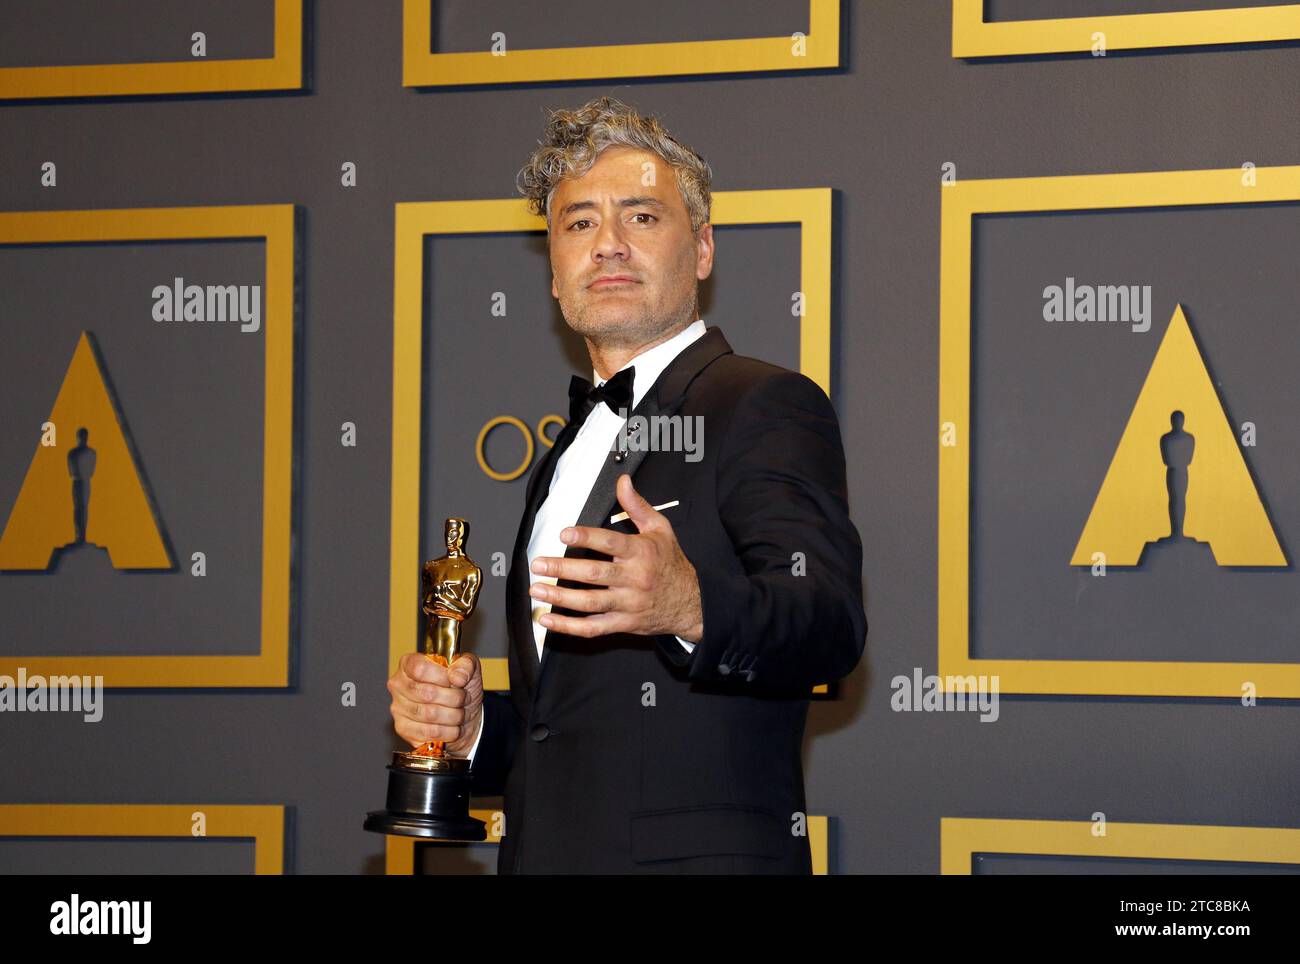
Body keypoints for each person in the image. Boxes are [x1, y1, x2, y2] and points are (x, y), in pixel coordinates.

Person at [388, 95, 866, 873]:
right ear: (553, 271)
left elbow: (830, 625)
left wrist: (689, 603)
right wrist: (476, 728)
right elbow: (567, 731)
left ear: (703, 249)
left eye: (641, 217)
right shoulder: (568, 449)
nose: (606, 245)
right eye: (579, 223)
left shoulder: (762, 402)